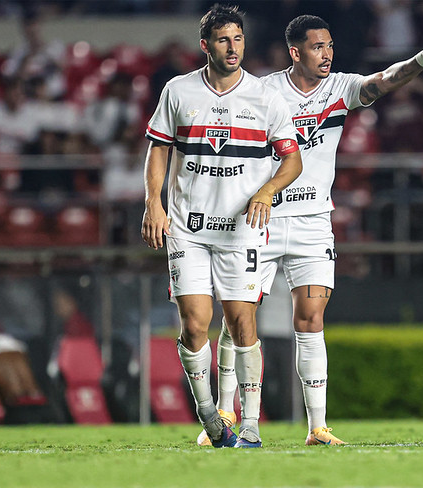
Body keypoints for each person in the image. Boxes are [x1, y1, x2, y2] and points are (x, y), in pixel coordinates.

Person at [204, 15, 423, 447]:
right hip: (259, 220)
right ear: (296, 52)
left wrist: (419, 61)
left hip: (313, 223)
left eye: (331, 46)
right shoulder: (261, 92)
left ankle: (317, 426)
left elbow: (384, 80)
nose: (328, 54)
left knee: (312, 318)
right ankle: (226, 413)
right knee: (237, 319)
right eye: (318, 47)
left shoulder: (340, 88)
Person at [141, 4, 302, 449]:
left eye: (238, 39)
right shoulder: (178, 91)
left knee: (241, 324)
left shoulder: (266, 96)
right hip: (188, 227)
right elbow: (158, 150)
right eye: (223, 40)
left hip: (242, 231)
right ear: (205, 45)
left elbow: (292, 160)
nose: (233, 48)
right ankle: (211, 416)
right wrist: (153, 203)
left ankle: (249, 423)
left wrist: (267, 192)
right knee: (195, 325)